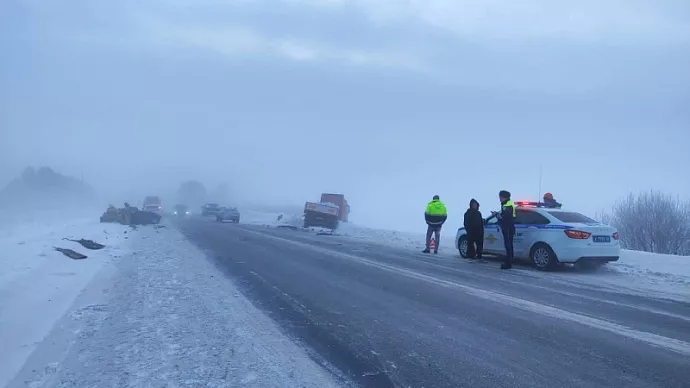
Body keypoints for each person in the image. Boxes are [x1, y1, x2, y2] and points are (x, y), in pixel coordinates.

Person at [492, 190, 516, 269]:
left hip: (508, 227)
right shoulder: (506, 204)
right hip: (508, 227)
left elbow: (505, 217)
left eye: (500, 197)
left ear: (503, 197)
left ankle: (508, 263)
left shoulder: (508, 205)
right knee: (509, 245)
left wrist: (497, 215)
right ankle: (509, 260)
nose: (499, 198)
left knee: (508, 245)